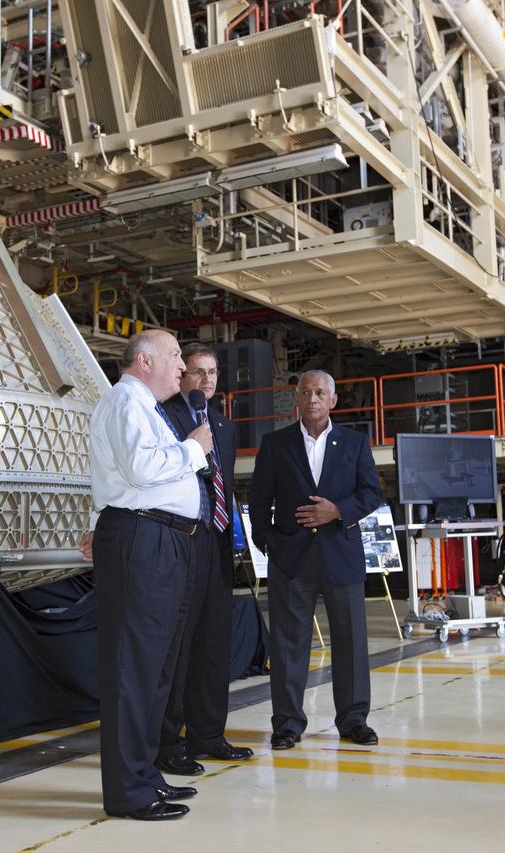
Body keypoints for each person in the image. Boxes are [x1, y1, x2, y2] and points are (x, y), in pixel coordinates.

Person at [78, 330, 214, 821]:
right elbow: (139, 469)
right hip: (144, 539)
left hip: (162, 539)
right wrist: (193, 450)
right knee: (134, 669)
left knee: (156, 669)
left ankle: (143, 774)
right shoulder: (125, 401)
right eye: (175, 356)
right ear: (144, 361)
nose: (182, 366)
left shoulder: (145, 407)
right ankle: (128, 792)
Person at [248, 370, 383, 751]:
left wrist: (337, 511)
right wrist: (269, 542)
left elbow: (372, 493)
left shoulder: (355, 443)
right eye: (306, 392)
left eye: (321, 392)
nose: (313, 398)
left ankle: (354, 720)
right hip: (291, 560)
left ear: (333, 400)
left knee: (351, 642)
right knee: (288, 646)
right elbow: (259, 500)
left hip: (341, 556)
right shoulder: (275, 444)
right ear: (297, 398)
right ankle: (287, 724)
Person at [155, 343, 255, 776]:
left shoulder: (224, 427)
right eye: (198, 371)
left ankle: (209, 735)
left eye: (212, 372)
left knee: (214, 643)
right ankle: (167, 741)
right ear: (182, 375)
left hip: (216, 544)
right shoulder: (164, 416)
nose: (207, 380)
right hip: (181, 540)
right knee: (178, 648)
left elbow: (224, 488)